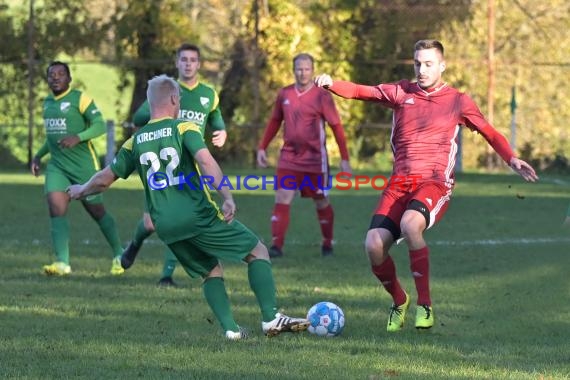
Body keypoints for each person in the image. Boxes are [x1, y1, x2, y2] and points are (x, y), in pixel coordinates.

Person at [314, 39, 538, 332]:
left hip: (434, 183)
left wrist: (512, 158)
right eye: (418, 63)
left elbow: (489, 132)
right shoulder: (400, 92)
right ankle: (399, 300)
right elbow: (359, 91)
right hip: (399, 183)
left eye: (429, 64)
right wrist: (331, 83)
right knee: (373, 245)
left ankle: (425, 305)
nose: (422, 69)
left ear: (442, 66)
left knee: (410, 224)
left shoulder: (458, 100)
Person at [67, 74, 310, 339]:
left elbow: (104, 179)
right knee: (257, 250)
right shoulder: (183, 128)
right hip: (197, 215)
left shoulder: (134, 142)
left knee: (210, 270)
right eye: (179, 98)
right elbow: (206, 162)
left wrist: (81, 189)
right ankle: (271, 318)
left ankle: (231, 331)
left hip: (166, 225)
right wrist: (227, 195)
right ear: (173, 99)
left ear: (149, 104)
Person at [122, 43, 228, 287]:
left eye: (193, 59)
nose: (188, 63)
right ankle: (135, 244)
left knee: (180, 218)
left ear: (199, 64)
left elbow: (217, 121)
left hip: (189, 171)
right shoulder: (164, 92)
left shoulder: (209, 95)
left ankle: (166, 275)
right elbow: (138, 121)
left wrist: (221, 133)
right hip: (161, 169)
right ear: (177, 63)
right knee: (150, 223)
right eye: (184, 59)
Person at [31, 61, 125, 276]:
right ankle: (62, 263)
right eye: (51, 74)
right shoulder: (47, 103)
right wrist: (38, 155)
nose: (55, 77)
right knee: (56, 209)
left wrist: (78, 137)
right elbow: (52, 138)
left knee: (96, 211)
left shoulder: (79, 99)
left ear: (69, 78)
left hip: (83, 166)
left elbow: (99, 125)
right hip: (57, 166)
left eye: (60, 74)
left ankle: (120, 254)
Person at [257, 53, 352, 258]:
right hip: (289, 157)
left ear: (312, 70)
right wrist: (262, 147)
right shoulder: (285, 94)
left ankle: (327, 243)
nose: (303, 72)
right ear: (294, 70)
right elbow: (274, 121)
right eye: (299, 68)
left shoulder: (322, 95)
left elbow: (336, 126)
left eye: (307, 68)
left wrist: (344, 158)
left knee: (321, 200)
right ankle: (276, 246)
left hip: (315, 161)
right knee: (282, 197)